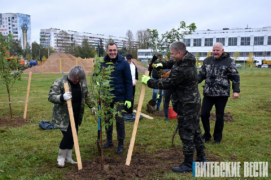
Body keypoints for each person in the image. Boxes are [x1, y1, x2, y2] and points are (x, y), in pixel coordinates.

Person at [142, 41, 206, 173]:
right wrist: (161, 64)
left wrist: (148, 81)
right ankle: (201, 158)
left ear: (179, 52)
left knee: (187, 133)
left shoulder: (184, 69)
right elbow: (173, 63)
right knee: (196, 130)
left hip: (186, 104)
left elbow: (168, 83)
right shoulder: (185, 59)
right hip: (191, 102)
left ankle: (188, 164)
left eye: (172, 54)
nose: (171, 56)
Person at [48, 66, 95, 168]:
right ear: (71, 75)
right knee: (68, 135)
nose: (76, 81)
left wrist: (93, 106)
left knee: (74, 136)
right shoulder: (59, 82)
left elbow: (87, 96)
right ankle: (60, 158)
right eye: (75, 78)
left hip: (76, 114)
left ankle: (68, 158)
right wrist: (62, 97)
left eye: (79, 79)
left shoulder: (81, 83)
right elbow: (51, 96)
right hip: (63, 116)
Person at [198, 42, 240, 144]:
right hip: (208, 92)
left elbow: (235, 77)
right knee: (203, 114)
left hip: (222, 94)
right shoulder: (207, 60)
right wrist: (193, 82)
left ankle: (217, 138)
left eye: (217, 50)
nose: (215, 52)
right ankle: (207, 135)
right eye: (214, 50)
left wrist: (236, 91)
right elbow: (201, 75)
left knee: (219, 116)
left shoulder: (229, 61)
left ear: (222, 50)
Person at [102, 42, 133, 154]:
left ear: (117, 50)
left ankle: (120, 144)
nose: (112, 52)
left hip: (120, 96)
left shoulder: (124, 64)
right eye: (110, 50)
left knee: (119, 120)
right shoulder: (103, 63)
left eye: (114, 50)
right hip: (106, 96)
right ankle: (109, 141)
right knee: (107, 118)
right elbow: (98, 78)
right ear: (107, 51)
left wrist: (129, 99)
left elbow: (128, 82)